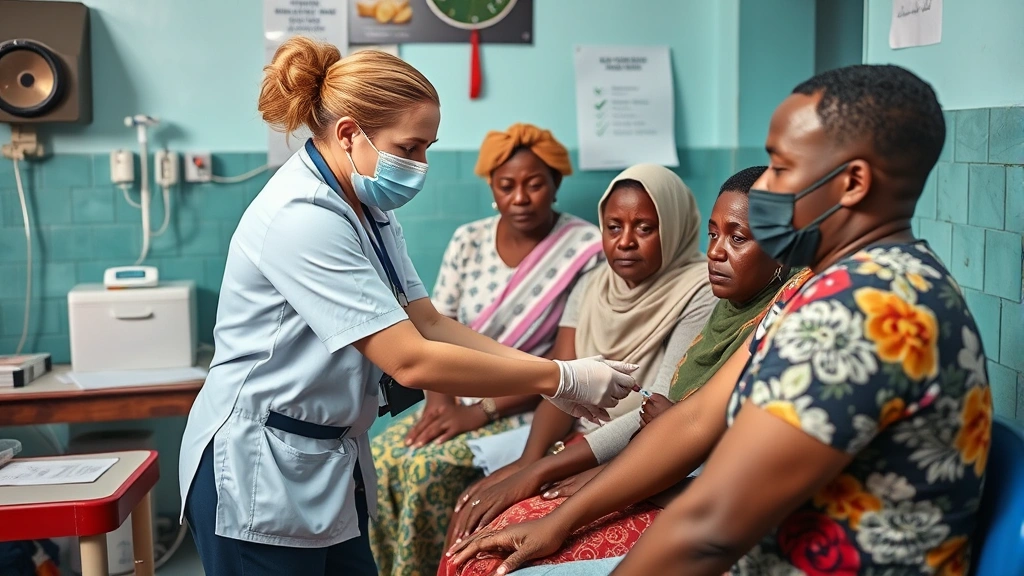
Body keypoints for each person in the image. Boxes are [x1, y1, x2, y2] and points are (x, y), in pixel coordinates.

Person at [448, 64, 991, 576]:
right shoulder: (828, 286)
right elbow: (693, 421)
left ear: (852, 183)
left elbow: (711, 525)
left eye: (780, 168)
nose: (765, 190)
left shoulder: (866, 310)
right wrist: (555, 522)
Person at [177, 37, 637, 576]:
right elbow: (410, 359)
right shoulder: (302, 216)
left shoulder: (365, 205)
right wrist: (558, 378)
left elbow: (429, 321)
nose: (422, 164)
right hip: (261, 467)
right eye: (412, 147)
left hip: (322, 461)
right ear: (350, 134)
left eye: (428, 148)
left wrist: (555, 379)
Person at [441, 167, 814, 576]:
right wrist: (540, 467)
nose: (716, 251)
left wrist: (574, 474)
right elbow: (586, 388)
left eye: (737, 238)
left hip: (700, 493)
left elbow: (699, 429)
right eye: (713, 234)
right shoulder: (728, 301)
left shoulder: (783, 309)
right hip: (645, 462)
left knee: (497, 562)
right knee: (481, 537)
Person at [446, 163, 722, 549]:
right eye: (613, 227)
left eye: (644, 228)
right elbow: (564, 383)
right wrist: (528, 462)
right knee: (472, 517)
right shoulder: (592, 285)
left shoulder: (701, 291)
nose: (625, 241)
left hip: (637, 455)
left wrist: (538, 472)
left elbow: (661, 410)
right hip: (579, 446)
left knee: (504, 539)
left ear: (674, 227)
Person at [370, 123, 602, 576]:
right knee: (381, 459)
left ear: (555, 183)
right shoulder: (469, 240)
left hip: (530, 402)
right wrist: (442, 405)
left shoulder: (586, 248)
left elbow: (562, 359)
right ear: (492, 189)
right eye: (507, 185)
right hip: (453, 391)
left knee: (423, 472)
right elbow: (437, 325)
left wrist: (480, 412)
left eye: (534, 184)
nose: (520, 197)